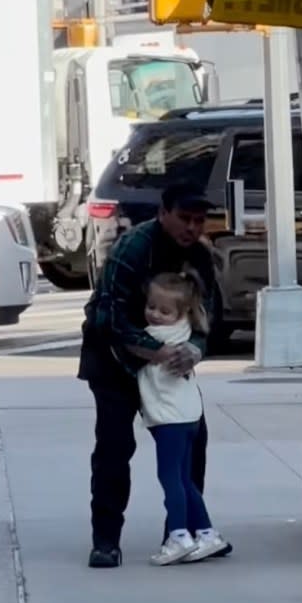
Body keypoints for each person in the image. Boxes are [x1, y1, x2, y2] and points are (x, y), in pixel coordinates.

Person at [78, 181, 232, 568]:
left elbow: (208, 316)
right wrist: (151, 348)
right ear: (163, 213)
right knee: (114, 448)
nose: (192, 228)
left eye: (200, 221)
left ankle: (183, 533)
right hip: (116, 363)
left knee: (191, 444)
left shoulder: (198, 256)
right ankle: (106, 541)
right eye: (184, 218)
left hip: (169, 370)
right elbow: (106, 316)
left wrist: (195, 349)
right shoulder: (134, 247)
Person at [137, 273, 228, 565]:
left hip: (169, 420)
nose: (155, 314)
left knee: (169, 478)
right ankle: (206, 532)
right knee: (185, 480)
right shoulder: (185, 333)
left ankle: (177, 535)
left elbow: (126, 340)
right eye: (151, 306)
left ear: (181, 313)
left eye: (164, 311)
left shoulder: (156, 338)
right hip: (189, 416)